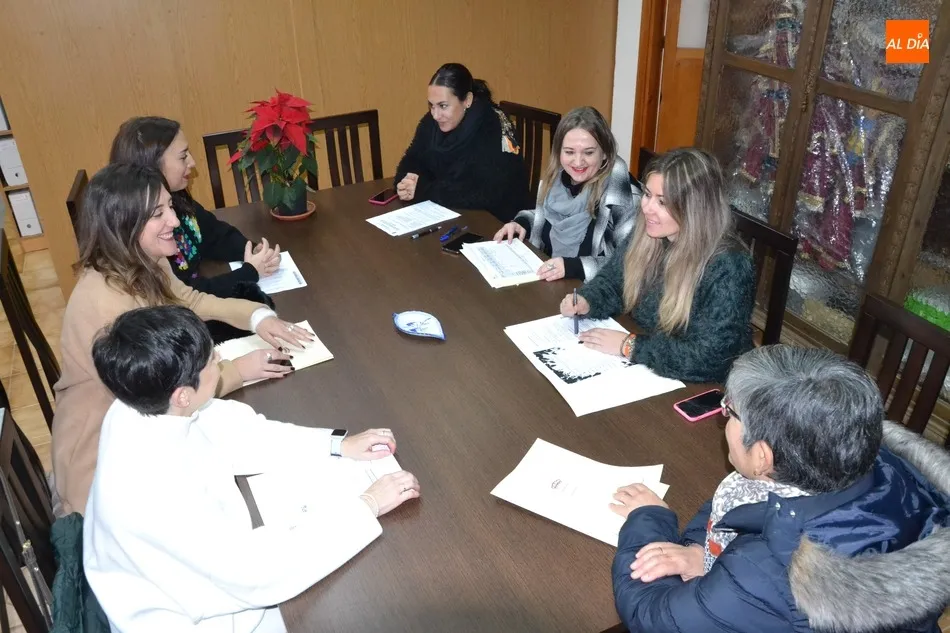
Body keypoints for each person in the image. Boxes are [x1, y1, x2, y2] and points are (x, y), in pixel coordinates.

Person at [84, 305, 421, 633]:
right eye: (211, 359)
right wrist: (366, 507)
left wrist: (335, 445)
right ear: (183, 395)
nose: (220, 359)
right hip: (191, 617)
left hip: (198, 573)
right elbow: (258, 574)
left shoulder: (140, 404)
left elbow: (237, 431)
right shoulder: (156, 492)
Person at [609, 345, 950, 633]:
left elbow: (651, 617)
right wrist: (705, 549)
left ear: (762, 456)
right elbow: (741, 509)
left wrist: (649, 519)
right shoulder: (878, 463)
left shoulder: (765, 573)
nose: (723, 416)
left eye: (729, 411)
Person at [52, 163, 312, 516]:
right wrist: (238, 371)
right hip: (105, 472)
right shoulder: (108, 305)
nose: (174, 221)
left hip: (144, 433)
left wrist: (257, 316)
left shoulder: (141, 259)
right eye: (158, 213)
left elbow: (189, 299)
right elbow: (162, 400)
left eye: (169, 207)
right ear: (124, 224)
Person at [559, 148, 754, 383]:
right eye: (647, 194)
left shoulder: (729, 267)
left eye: (662, 202)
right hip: (653, 366)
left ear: (695, 210)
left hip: (705, 387)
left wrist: (629, 345)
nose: (647, 207)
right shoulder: (649, 232)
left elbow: (710, 359)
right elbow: (613, 283)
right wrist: (587, 300)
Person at [110, 116, 281, 342]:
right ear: (152, 166)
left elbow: (212, 233)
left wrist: (248, 249)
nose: (192, 162)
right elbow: (187, 296)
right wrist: (249, 272)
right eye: (183, 156)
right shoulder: (146, 235)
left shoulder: (176, 198)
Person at [494, 106, 637, 281]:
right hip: (553, 282)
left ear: (605, 153)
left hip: (594, 295)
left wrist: (572, 267)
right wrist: (522, 224)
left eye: (589, 152)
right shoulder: (560, 179)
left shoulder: (623, 195)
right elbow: (548, 217)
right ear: (558, 152)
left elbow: (630, 264)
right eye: (569, 152)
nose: (578, 162)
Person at [393, 62, 531, 223]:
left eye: (443, 106)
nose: (436, 115)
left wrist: (425, 189)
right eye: (432, 106)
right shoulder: (432, 122)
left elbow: (484, 193)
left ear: (467, 100)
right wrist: (405, 183)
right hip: (452, 214)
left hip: (499, 223)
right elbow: (412, 159)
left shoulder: (493, 125)